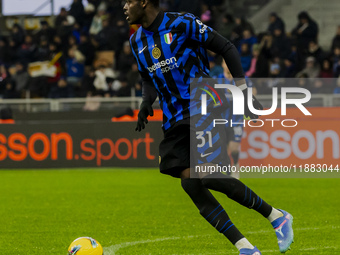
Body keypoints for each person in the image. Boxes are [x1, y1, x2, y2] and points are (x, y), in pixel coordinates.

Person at [124, 1, 294, 254]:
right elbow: (147, 78)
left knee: (210, 176)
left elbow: (227, 47)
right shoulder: (136, 39)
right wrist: (145, 102)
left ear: (144, 2)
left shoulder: (182, 23)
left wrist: (244, 91)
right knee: (191, 183)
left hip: (203, 105)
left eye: (128, 1)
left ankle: (276, 216)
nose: (124, 7)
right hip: (173, 118)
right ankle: (245, 247)